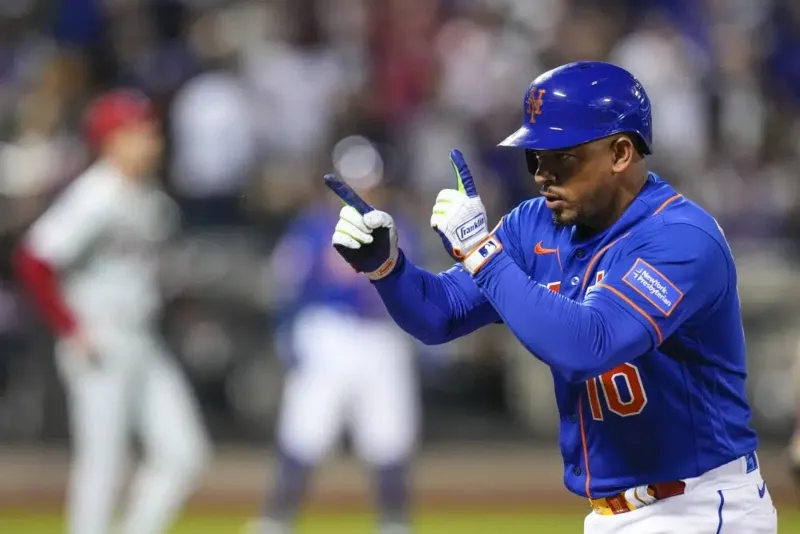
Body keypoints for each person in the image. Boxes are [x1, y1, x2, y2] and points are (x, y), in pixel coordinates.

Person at [329, 61, 777, 533]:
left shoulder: (681, 238)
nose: (542, 174)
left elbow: (588, 346)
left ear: (621, 153)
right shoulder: (534, 224)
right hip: (610, 513)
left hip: (700, 507)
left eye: (561, 156)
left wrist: (481, 253)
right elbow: (440, 315)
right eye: (534, 156)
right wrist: (387, 267)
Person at [13, 89, 210, 534]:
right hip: (99, 336)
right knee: (103, 462)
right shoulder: (95, 193)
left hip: (142, 334)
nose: (153, 139)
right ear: (113, 138)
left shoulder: (148, 197)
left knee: (184, 454)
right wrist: (71, 328)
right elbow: (34, 259)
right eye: (141, 130)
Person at [249, 138, 420, 534]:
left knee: (390, 436)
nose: (361, 191)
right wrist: (287, 332)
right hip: (330, 333)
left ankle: (395, 524)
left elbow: (418, 288)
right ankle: (274, 521)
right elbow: (286, 286)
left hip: (382, 336)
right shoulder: (312, 228)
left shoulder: (399, 226)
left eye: (369, 182)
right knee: (305, 431)